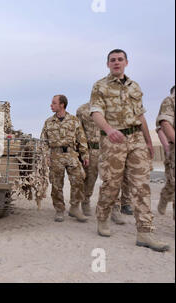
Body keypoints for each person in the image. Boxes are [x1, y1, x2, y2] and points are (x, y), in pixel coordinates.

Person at [89, 49, 169, 252]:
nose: (116, 63)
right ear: (108, 64)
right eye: (112, 60)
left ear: (126, 62)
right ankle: (103, 217)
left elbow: (141, 116)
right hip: (113, 140)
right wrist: (108, 129)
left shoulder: (135, 86)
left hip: (137, 139)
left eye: (120, 59)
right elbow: (96, 113)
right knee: (112, 184)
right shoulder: (100, 86)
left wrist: (149, 142)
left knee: (141, 185)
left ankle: (145, 231)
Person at [41, 95, 89, 223]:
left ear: (62, 105)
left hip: (71, 154)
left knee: (78, 180)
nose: (51, 105)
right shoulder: (48, 122)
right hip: (55, 155)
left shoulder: (74, 120)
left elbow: (81, 138)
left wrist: (84, 155)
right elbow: (44, 142)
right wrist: (46, 156)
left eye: (54, 103)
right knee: (56, 185)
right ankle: (59, 210)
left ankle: (75, 207)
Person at [156, 85, 175, 219]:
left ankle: (165, 196)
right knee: (173, 183)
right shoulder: (170, 102)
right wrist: (167, 147)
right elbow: (162, 127)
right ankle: (165, 197)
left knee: (171, 184)